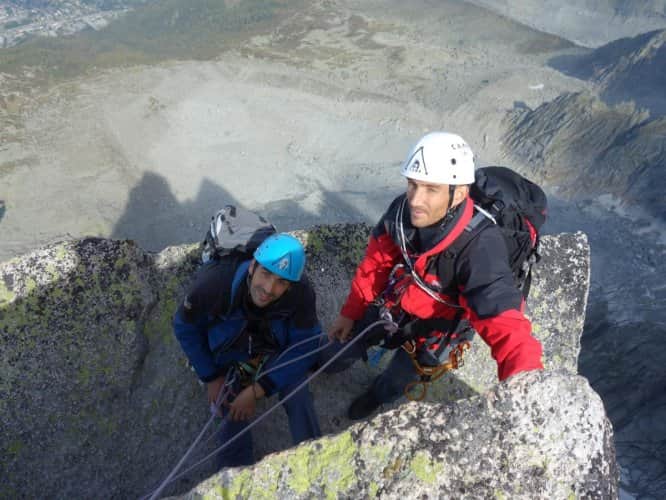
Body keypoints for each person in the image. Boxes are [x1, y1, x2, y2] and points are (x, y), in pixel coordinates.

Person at [326, 131, 544, 420]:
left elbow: (507, 327)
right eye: (412, 185)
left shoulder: (481, 249)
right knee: (352, 337)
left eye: (431, 189)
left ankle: (375, 396)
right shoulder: (402, 212)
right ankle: (329, 362)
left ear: (460, 193)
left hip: (442, 329)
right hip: (401, 301)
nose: (416, 199)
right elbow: (374, 265)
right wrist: (350, 312)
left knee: (399, 378)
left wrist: (526, 397)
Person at [173, 233, 322, 467]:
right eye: (266, 274)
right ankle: (235, 474)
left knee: (298, 391)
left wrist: (257, 390)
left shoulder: (301, 294)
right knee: (228, 409)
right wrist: (211, 377)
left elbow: (306, 344)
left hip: (269, 351)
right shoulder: (215, 285)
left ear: (290, 286)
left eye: (281, 282)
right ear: (252, 266)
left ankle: (314, 457)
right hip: (228, 354)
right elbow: (185, 327)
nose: (269, 289)